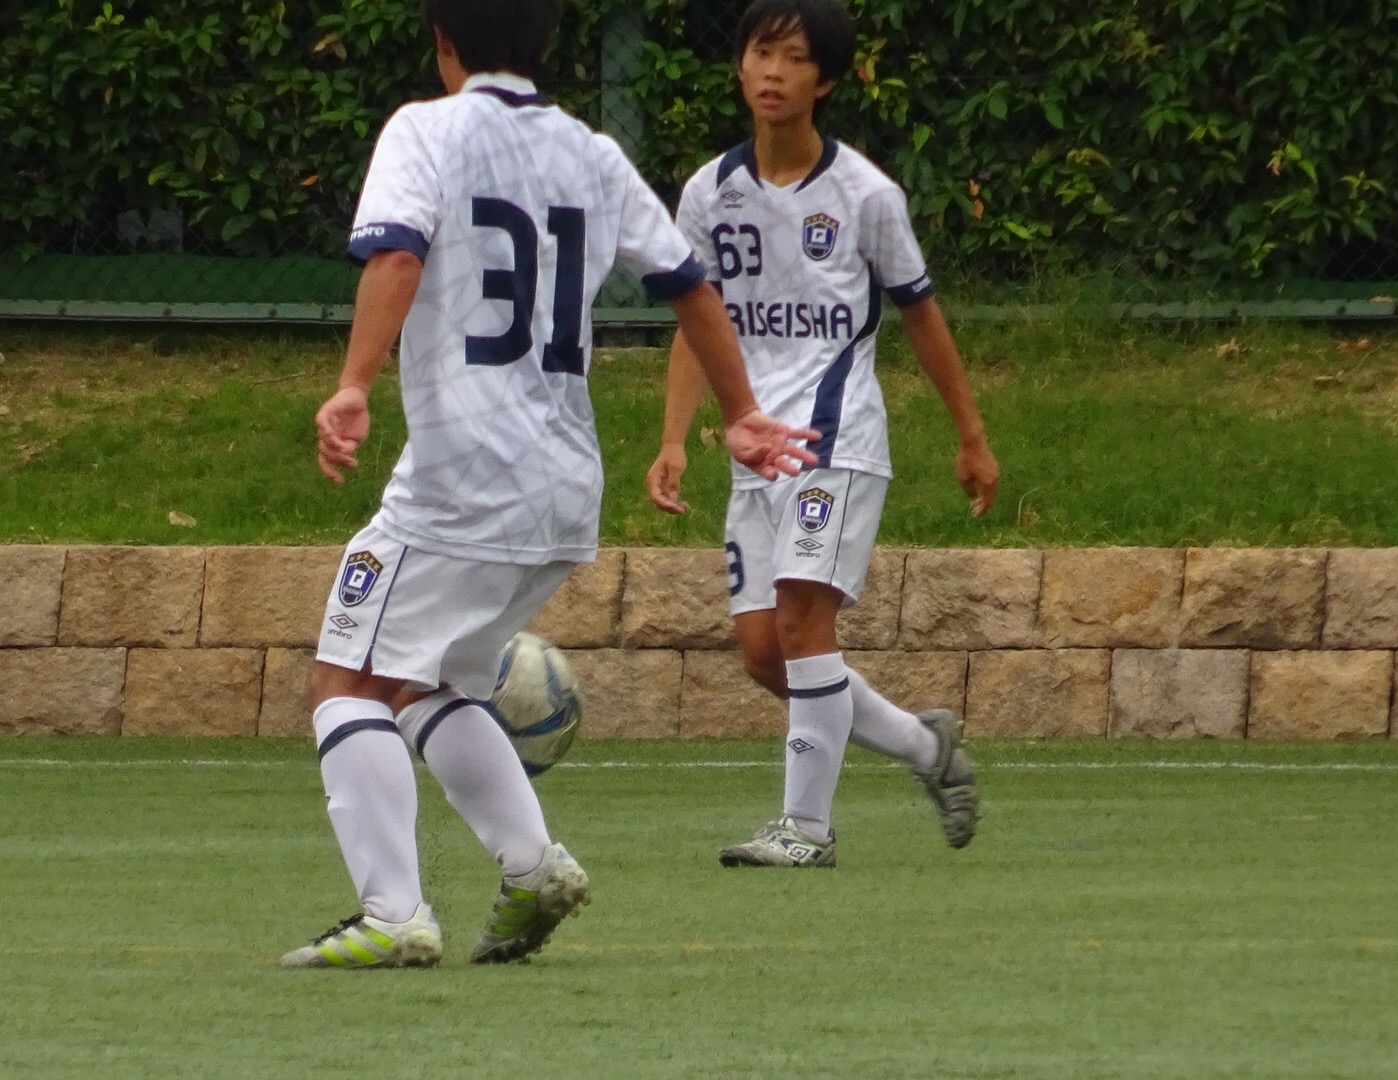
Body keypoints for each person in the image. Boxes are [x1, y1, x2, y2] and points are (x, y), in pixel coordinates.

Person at [283, 0, 818, 969]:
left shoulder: (425, 129)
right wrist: (739, 410)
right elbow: (689, 284)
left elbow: (397, 252)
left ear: (444, 43)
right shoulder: (591, 151)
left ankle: (393, 914)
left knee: (345, 679)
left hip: (460, 477)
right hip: (564, 484)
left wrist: (354, 381)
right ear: (547, 44)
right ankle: (532, 867)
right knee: (426, 682)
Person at [646, 0, 1000, 868]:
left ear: (827, 80)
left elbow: (920, 313)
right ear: (739, 65)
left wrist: (970, 435)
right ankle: (926, 746)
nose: (773, 72)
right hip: (754, 451)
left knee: (805, 624)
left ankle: (805, 830)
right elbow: (699, 319)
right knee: (766, 655)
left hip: (834, 440)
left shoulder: (866, 195)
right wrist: (674, 438)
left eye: (796, 58)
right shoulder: (708, 191)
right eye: (761, 52)